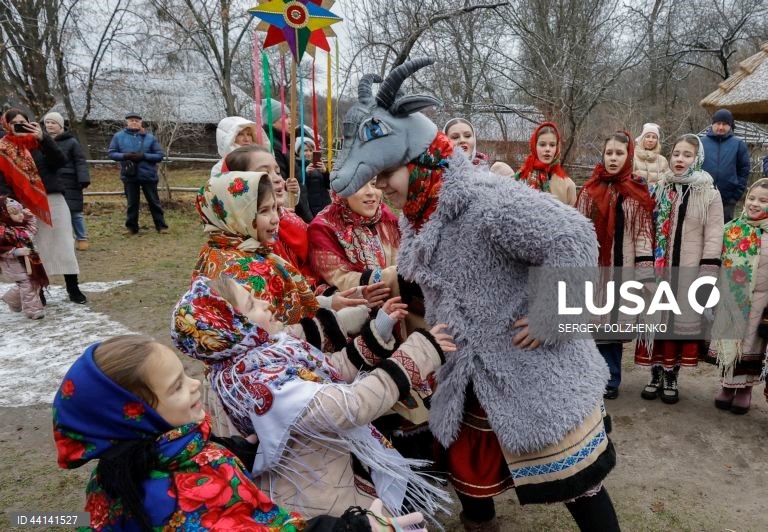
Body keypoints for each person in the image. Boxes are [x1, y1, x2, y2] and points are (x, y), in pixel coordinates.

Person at [331, 59, 619, 532]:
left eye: (386, 173)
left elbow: (572, 234)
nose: (379, 186)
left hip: (529, 371)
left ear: (419, 159)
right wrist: (392, 283)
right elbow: (446, 272)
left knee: (580, 487)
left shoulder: (488, 201)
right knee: (471, 485)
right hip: (466, 374)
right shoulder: (419, 211)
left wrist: (551, 314)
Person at [52, 335, 427, 531]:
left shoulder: (145, 455)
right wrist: (354, 528)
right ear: (135, 416)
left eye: (185, 374)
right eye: (176, 388)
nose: (194, 386)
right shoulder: (180, 497)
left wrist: (236, 450)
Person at [172, 275, 452, 520]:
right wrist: (420, 352)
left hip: (330, 480)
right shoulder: (264, 386)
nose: (266, 303)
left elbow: (328, 372)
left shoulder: (258, 359)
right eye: (252, 304)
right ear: (233, 329)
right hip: (319, 503)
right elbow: (351, 406)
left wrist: (379, 330)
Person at [635, 134, 724, 403]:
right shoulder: (659, 189)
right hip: (658, 272)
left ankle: (671, 374)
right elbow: (645, 228)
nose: (680, 159)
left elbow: (714, 235)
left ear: (696, 159)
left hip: (688, 271)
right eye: (676, 154)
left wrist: (707, 273)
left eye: (687, 155)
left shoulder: (708, 193)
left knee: (676, 323)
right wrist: (645, 265)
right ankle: (654, 372)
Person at [576, 132, 655, 399]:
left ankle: (610, 379)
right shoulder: (589, 190)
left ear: (628, 156)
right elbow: (579, 229)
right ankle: (588, 375)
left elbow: (643, 237)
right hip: (593, 269)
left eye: (619, 153)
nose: (613, 158)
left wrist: (646, 277)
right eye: (609, 153)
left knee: (612, 330)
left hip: (623, 270)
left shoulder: (636, 193)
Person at [192, 169, 318, 325]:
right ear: (235, 215)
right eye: (263, 211)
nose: (275, 219)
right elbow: (270, 333)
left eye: (275, 208)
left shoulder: (219, 247)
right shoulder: (242, 273)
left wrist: (330, 303)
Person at [0, 109, 86, 304]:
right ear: (6, 126)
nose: (20, 125)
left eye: (24, 121)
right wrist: (12, 205)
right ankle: (38, 290)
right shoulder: (3, 149)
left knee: (64, 243)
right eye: (15, 123)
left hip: (53, 199)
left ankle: (73, 288)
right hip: (23, 206)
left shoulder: (39, 143)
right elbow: (2, 181)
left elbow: (60, 161)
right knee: (34, 249)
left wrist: (44, 138)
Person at [707, 178, 768, 414]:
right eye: (752, 198)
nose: (755, 204)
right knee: (730, 340)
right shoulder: (731, 228)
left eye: (763, 201)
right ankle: (727, 385)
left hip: (762, 300)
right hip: (732, 296)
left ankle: (745, 390)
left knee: (752, 345)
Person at [224, 145, 316, 282]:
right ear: (239, 184)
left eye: (278, 172)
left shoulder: (290, 218)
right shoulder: (237, 246)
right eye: (265, 173)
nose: (278, 179)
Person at [308, 178, 400, 293]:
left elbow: (399, 261)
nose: (370, 192)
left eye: (374, 183)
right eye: (360, 184)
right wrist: (391, 277)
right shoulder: (323, 228)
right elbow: (341, 279)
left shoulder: (387, 219)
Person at [108, 112, 168, 234]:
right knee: (132, 203)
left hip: (148, 174)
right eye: (131, 120)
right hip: (129, 174)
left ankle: (161, 226)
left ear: (141, 122)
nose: (134, 122)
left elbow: (159, 155)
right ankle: (131, 228)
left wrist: (144, 156)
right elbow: (112, 153)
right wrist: (125, 155)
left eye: (136, 120)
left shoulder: (150, 137)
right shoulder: (118, 136)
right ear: (127, 122)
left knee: (154, 202)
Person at [43, 112, 91, 251]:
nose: (50, 125)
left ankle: (81, 238)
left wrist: (83, 178)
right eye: (47, 123)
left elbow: (80, 161)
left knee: (75, 212)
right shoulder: (41, 140)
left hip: (69, 180)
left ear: (60, 125)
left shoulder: (71, 142)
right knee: (53, 212)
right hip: (49, 180)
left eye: (53, 123)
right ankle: (59, 239)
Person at [261, 99, 311, 221]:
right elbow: (281, 184)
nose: (290, 122)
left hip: (297, 206)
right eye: (286, 117)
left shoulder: (281, 143)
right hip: (292, 211)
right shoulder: (274, 146)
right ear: (272, 122)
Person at [0, 196, 47, 318]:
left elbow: (33, 230)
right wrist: (15, 252)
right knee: (28, 285)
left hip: (30, 261)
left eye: (21, 212)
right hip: (14, 264)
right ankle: (34, 311)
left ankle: (11, 299)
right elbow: (1, 249)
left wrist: (30, 216)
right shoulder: (3, 232)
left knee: (30, 283)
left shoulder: (22, 227)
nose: (20, 215)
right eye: (15, 213)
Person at [700, 109, 750, 222]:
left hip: (727, 200)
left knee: (724, 233)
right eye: (718, 123)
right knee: (700, 231)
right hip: (702, 197)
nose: (721, 127)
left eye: (725, 124)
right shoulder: (701, 142)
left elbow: (744, 170)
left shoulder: (738, 144)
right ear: (712, 124)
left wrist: (735, 195)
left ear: (730, 126)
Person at [513, 121, 577, 206]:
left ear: (557, 148)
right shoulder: (521, 177)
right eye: (542, 145)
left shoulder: (568, 186)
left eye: (552, 145)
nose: (547, 149)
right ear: (534, 146)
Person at [295, 137, 331, 218]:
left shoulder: (318, 165)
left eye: (311, 151)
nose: (308, 153)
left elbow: (329, 185)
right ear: (298, 152)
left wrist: (325, 172)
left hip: (324, 207)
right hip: (310, 210)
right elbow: (298, 188)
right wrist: (305, 173)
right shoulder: (295, 166)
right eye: (305, 150)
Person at [633, 122, 668, 188]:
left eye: (654, 137)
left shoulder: (663, 160)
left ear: (657, 141)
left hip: (656, 197)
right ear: (642, 138)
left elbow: (667, 182)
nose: (650, 140)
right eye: (647, 136)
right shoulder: (633, 157)